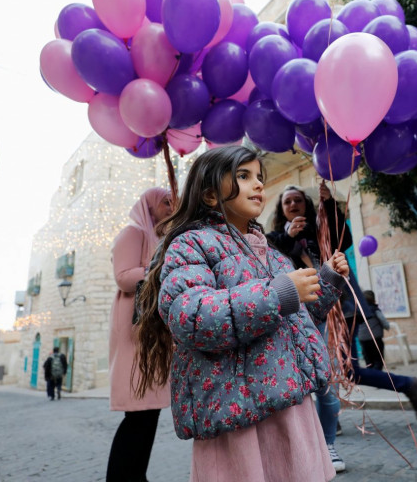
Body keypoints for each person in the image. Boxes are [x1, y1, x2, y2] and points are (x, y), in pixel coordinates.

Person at [133, 146, 350, 482]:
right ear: (208, 194)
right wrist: (279, 293)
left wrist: (327, 281)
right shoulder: (191, 245)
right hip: (237, 410)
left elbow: (299, 317)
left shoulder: (273, 253)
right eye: (244, 176)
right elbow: (191, 316)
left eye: (260, 177)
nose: (259, 184)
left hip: (289, 400)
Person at [267, 184, 417, 473]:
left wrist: (329, 207)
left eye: (298, 200)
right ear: (281, 210)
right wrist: (287, 239)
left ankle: (328, 441)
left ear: (306, 204)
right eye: (287, 201)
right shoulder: (273, 239)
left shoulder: (320, 229)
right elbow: (270, 268)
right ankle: (313, 437)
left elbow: (344, 240)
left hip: (335, 312)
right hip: (296, 317)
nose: (292, 204)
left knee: (333, 378)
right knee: (309, 381)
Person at [106, 188, 174, 482]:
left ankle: (136, 475)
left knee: (149, 412)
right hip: (134, 332)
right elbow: (123, 277)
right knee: (138, 414)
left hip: (151, 333)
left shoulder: (159, 237)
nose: (172, 206)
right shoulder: (133, 232)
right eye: (166, 202)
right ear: (150, 206)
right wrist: (159, 270)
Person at [359, 290, 391, 370]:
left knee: (368, 359)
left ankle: (371, 374)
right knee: (378, 359)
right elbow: (383, 320)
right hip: (375, 338)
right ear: (373, 299)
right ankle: (378, 375)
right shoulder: (375, 310)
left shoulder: (359, 311)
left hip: (363, 339)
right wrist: (387, 327)